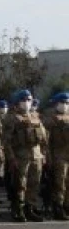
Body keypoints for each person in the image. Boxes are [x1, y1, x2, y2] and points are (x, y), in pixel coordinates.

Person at [2, 89, 48, 222]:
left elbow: (43, 138)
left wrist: (44, 154)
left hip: (36, 155)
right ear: (17, 102)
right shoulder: (12, 118)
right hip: (20, 156)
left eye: (29, 100)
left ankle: (30, 208)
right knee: (20, 184)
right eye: (24, 100)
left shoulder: (35, 116)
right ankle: (18, 210)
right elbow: (6, 141)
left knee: (34, 183)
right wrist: (11, 158)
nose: (27, 103)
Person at [44, 92, 69, 220]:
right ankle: (58, 208)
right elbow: (46, 141)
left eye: (67, 103)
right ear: (56, 104)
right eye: (63, 103)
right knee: (60, 183)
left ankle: (66, 206)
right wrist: (48, 158)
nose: (65, 105)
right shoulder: (50, 120)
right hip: (58, 155)